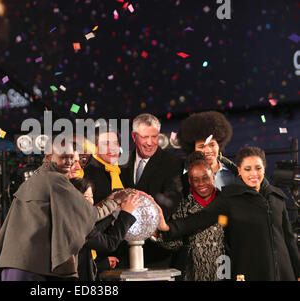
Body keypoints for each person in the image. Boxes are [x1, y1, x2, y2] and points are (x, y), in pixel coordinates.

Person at [157, 146, 300, 281]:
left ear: (264, 168)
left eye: (258, 168)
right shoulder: (230, 197)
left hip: (283, 271)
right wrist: (168, 228)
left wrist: (298, 271)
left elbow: (289, 239)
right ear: (239, 170)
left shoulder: (277, 196)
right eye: (247, 169)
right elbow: (200, 218)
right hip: (249, 271)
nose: (253, 174)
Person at [0, 137, 118, 281]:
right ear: (49, 157)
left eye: (78, 161)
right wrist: (116, 201)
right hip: (32, 267)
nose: (77, 166)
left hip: (13, 265)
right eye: (67, 159)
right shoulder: (56, 180)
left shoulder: (35, 178)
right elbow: (89, 214)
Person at [119, 113, 184, 268]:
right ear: (134, 137)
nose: (150, 143)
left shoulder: (172, 162)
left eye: (154, 136)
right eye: (144, 137)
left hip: (156, 253)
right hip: (122, 252)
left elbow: (171, 200)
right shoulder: (121, 162)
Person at [156, 151, 225, 281]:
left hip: (223, 270)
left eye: (205, 178)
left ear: (213, 177)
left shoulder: (225, 202)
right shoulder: (182, 206)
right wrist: (158, 235)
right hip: (192, 272)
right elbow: (175, 244)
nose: (201, 184)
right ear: (189, 181)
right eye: (196, 180)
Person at [70, 177, 139, 281]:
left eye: (91, 197)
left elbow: (93, 233)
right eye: (85, 197)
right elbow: (110, 243)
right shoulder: (75, 224)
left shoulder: (69, 218)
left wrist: (113, 212)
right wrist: (126, 215)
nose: (90, 201)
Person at [177, 111, 237, 193]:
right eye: (201, 146)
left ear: (219, 145)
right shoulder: (183, 178)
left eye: (212, 145)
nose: (208, 150)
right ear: (193, 149)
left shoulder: (233, 172)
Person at [84, 127, 124, 205]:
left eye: (115, 143)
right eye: (106, 144)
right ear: (95, 148)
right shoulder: (87, 175)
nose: (112, 148)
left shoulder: (122, 171)